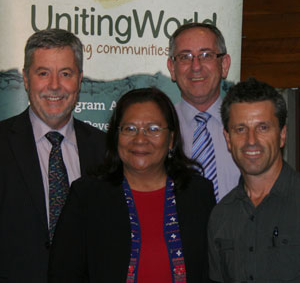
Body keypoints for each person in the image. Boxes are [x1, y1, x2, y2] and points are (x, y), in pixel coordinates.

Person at [48, 87, 215, 283]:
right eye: (130, 129)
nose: (140, 139)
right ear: (116, 136)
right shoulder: (86, 196)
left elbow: (212, 271)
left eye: (153, 129)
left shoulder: (198, 192)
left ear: (171, 139)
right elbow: (63, 274)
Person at [0, 29, 106, 283]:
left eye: (66, 74)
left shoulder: (106, 149)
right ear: (26, 79)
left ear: (80, 80)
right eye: (43, 73)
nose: (55, 85)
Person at [208, 77, 300, 282]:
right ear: (228, 139)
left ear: (282, 134)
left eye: (263, 128)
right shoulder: (220, 216)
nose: (251, 141)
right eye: (240, 129)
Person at [167, 22, 240, 201]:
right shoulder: (160, 130)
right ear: (172, 68)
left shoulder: (245, 127)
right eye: (185, 57)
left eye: (206, 55)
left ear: (224, 64)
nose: (196, 66)